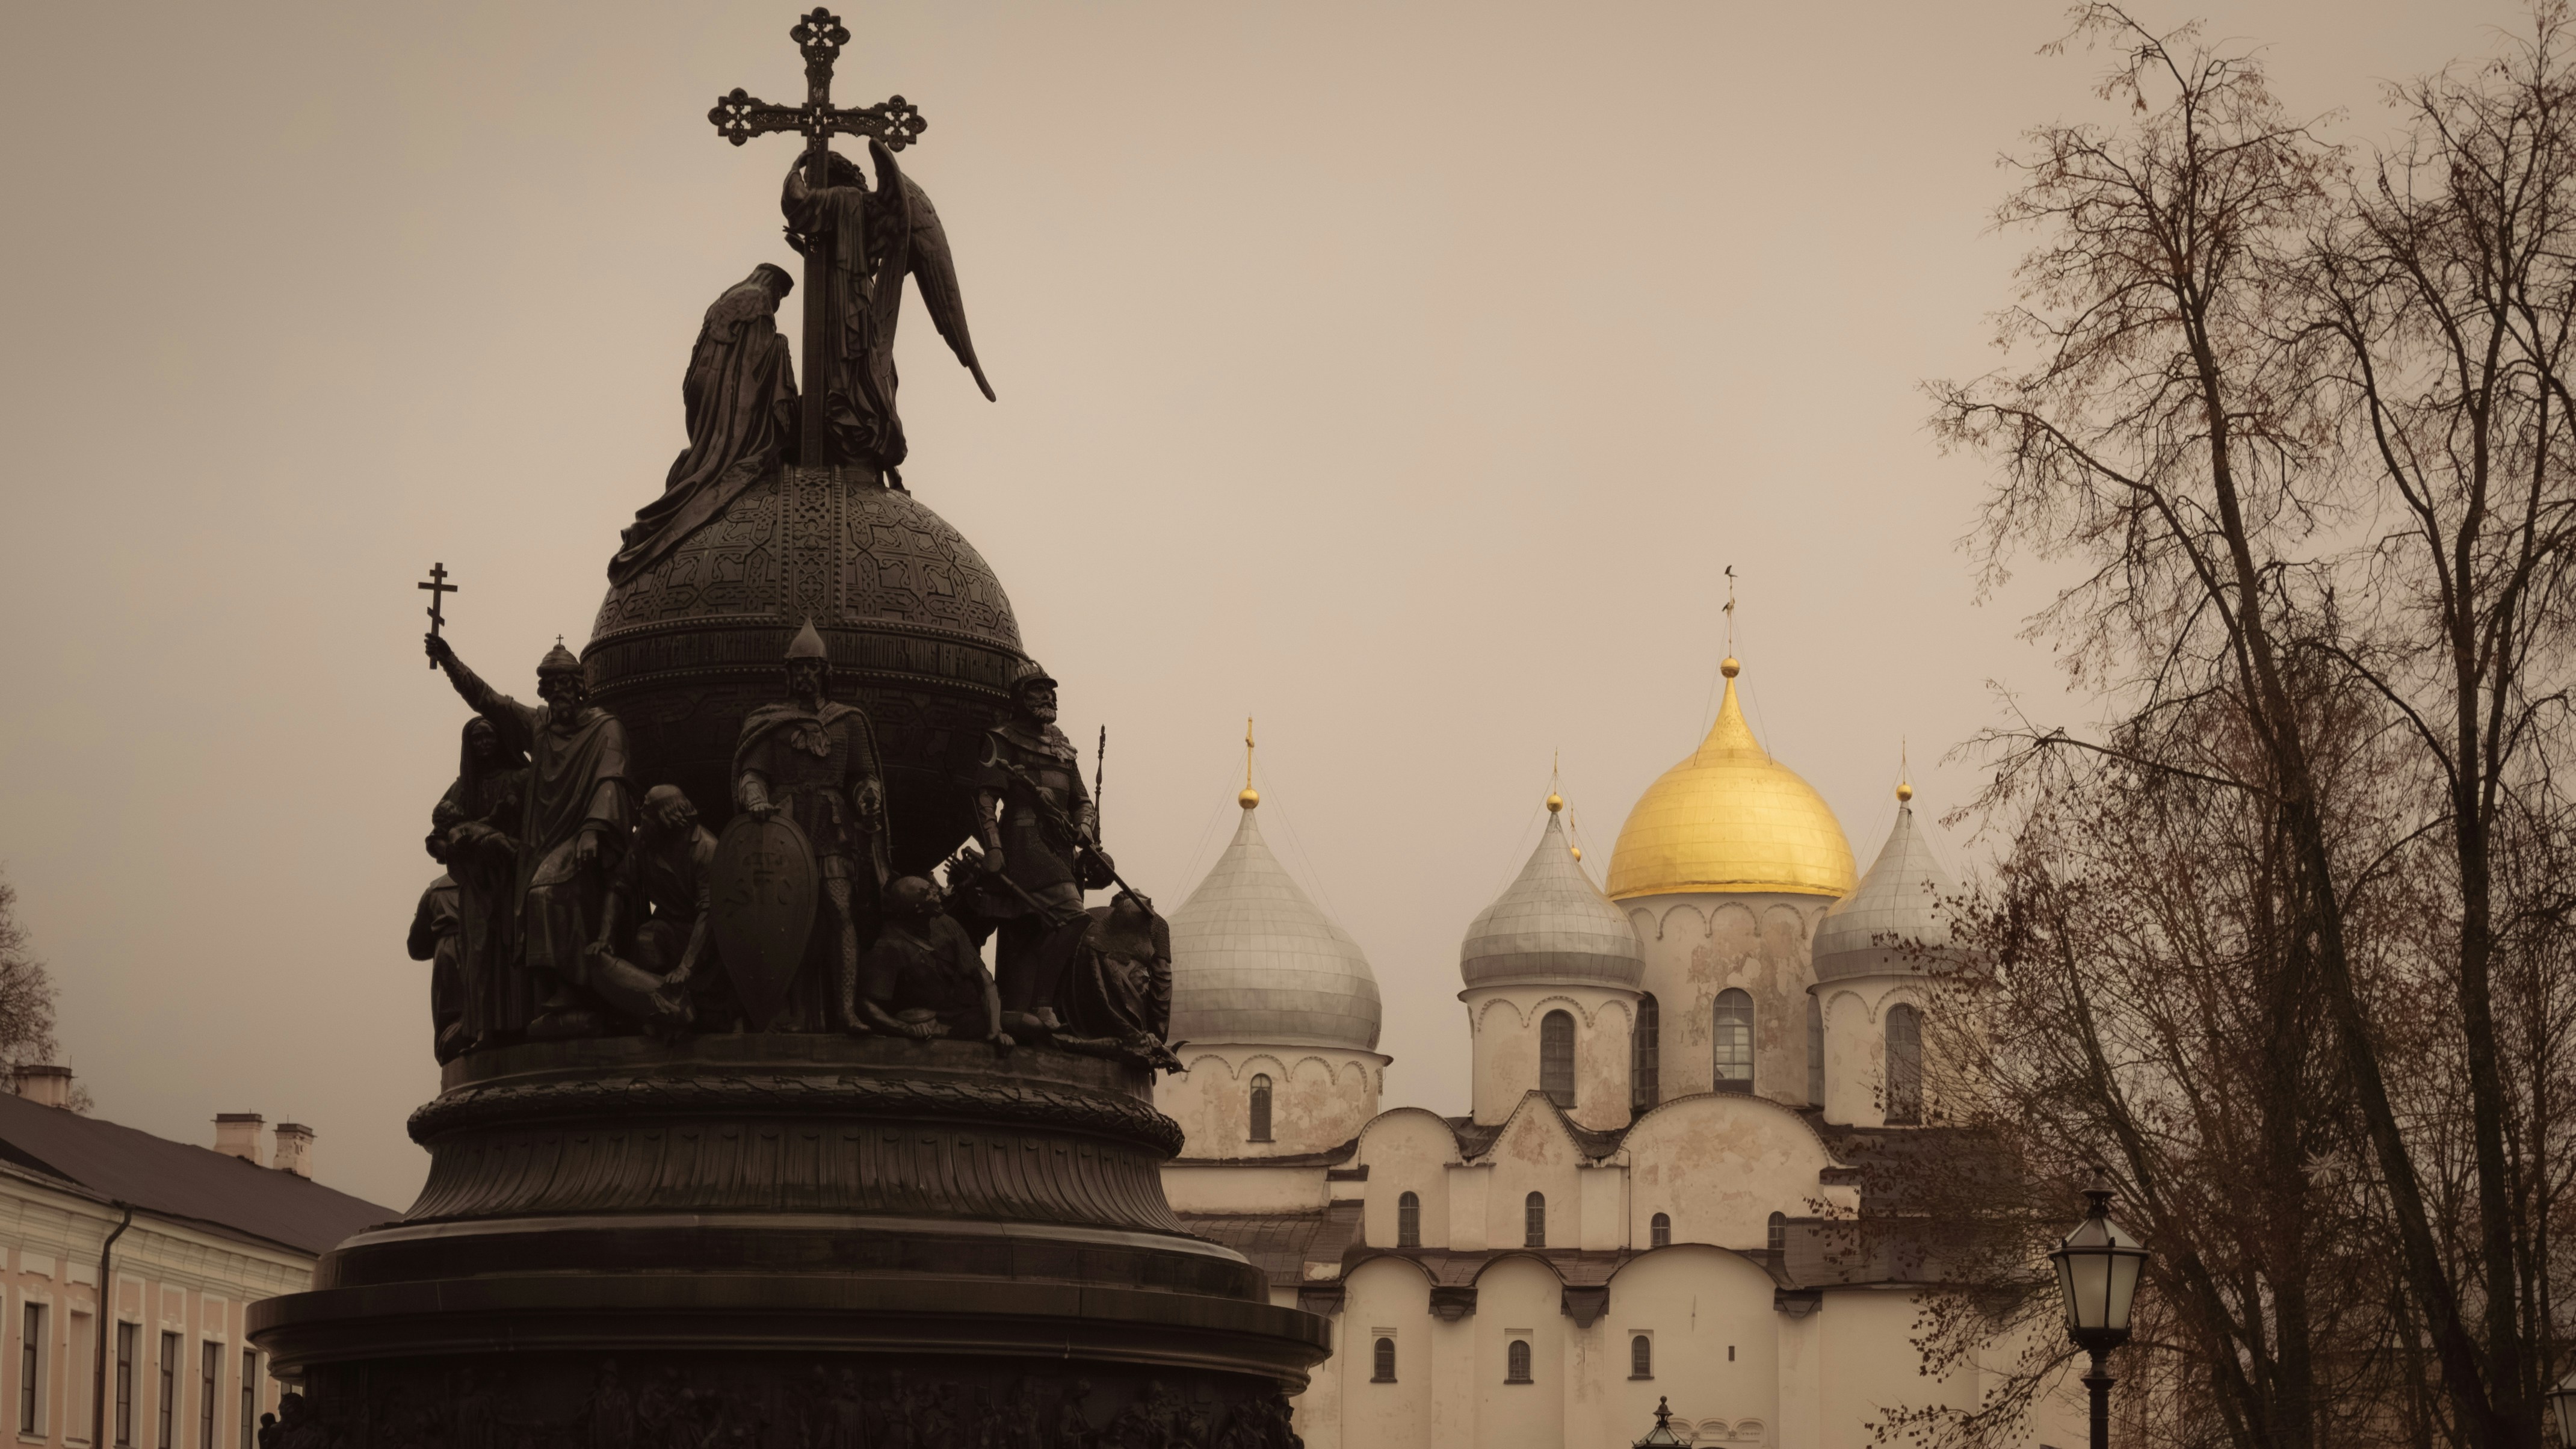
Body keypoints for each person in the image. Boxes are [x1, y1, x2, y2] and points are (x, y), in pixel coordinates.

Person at [428, 632, 634, 1039]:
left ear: (579, 688)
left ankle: (571, 990)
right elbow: (488, 701)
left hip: (588, 836)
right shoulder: (538, 727)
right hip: (541, 844)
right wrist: (450, 660)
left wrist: (594, 830)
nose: (558, 693)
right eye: (550, 686)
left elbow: (611, 780)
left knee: (544, 897)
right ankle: (549, 999)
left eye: (565, 685)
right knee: (531, 902)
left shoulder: (606, 728)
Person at [732, 621, 889, 1031]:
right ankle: (781, 1007)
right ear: (789, 674)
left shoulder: (849, 721)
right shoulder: (770, 721)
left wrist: (867, 796)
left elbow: (862, 775)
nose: (805, 675)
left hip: (831, 824)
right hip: (784, 823)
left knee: (839, 909)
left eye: (811, 668)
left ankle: (846, 1009)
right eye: (798, 668)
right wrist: (755, 798)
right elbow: (752, 772)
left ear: (824, 672)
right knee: (781, 913)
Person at [610, 264, 799, 585]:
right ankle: (734, 456)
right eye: (780, 295)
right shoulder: (759, 301)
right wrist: (779, 349)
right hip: (732, 394)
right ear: (773, 286)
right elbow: (754, 360)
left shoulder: (724, 302)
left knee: (704, 454)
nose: (778, 302)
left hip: (706, 387)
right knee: (723, 455)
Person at [972, 661, 1111, 1019]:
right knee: (1074, 917)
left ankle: (1021, 1010)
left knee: (1035, 931)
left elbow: (1081, 798)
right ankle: (1044, 1003)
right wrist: (994, 847)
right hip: (1024, 843)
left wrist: (1083, 825)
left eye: (1050, 690)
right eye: (1038, 689)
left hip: (1062, 846)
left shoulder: (1061, 746)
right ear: (1020, 697)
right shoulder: (1002, 738)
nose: (1048, 696)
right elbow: (985, 796)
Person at [591, 784, 731, 1036]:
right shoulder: (644, 841)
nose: (640, 819)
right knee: (647, 939)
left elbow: (709, 914)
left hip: (709, 939)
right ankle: (655, 1013)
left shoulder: (706, 849)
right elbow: (618, 886)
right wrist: (605, 936)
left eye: (646, 814)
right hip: (670, 928)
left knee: (712, 1002)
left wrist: (686, 967)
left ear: (667, 819)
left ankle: (699, 1012)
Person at [431, 715, 529, 1049]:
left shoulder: (520, 778)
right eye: (477, 740)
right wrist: (458, 846)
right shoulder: (463, 788)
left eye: (490, 737)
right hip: (475, 883)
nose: (484, 744)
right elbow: (435, 840)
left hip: (513, 879)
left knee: (515, 948)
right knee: (479, 953)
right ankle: (483, 1029)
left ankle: (520, 1024)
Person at [857, 877, 1013, 1052]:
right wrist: (903, 1028)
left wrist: (995, 1030)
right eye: (929, 894)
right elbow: (866, 1004)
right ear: (917, 909)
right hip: (933, 1023)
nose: (938, 894)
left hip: (971, 1015)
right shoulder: (889, 945)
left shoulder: (946, 924)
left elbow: (984, 978)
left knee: (1032, 1025)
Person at [1054, 892, 1179, 1071]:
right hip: (1119, 1010)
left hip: (1073, 1006)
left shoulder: (1092, 915)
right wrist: (1157, 1037)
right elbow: (1163, 979)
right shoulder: (1156, 923)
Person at [404, 867, 467, 1063]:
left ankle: (453, 1053)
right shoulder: (490, 878)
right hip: (483, 945)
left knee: (450, 1014)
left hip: (447, 952)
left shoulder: (435, 890)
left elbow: (416, 946)